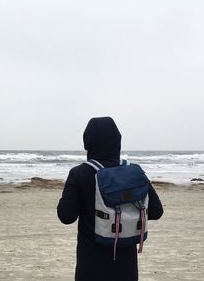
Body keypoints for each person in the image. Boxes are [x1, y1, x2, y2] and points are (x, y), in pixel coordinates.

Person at [57, 117, 163, 281]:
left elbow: (65, 216)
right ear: (117, 141)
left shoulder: (80, 173)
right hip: (126, 267)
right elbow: (156, 211)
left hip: (90, 267)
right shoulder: (133, 172)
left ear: (88, 143)